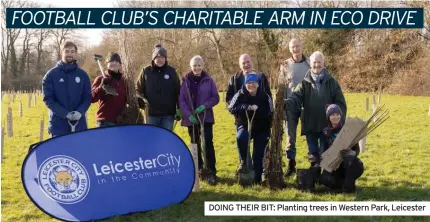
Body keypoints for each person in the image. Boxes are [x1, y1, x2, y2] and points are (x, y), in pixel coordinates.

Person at [285, 51, 347, 168]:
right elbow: (295, 98)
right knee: (313, 154)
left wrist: (338, 121)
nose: (316, 65)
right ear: (310, 64)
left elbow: (341, 103)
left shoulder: (332, 82)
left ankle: (327, 177)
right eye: (314, 62)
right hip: (311, 125)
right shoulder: (304, 83)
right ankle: (314, 175)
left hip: (327, 126)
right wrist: (284, 104)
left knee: (325, 153)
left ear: (324, 63)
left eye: (319, 62)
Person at [226, 54, 272, 171]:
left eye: (248, 62)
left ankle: (260, 170)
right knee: (241, 139)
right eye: (243, 63)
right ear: (240, 65)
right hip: (243, 119)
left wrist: (261, 111)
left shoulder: (261, 77)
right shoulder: (235, 79)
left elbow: (268, 101)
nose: (246, 65)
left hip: (261, 122)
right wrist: (244, 107)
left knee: (259, 150)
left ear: (252, 62)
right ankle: (245, 163)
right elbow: (230, 101)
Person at [179, 56, 220, 185]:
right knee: (195, 144)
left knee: (207, 143)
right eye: (194, 65)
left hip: (205, 118)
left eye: (199, 65)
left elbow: (216, 97)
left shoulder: (209, 80)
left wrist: (205, 106)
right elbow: (181, 100)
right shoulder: (185, 81)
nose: (197, 68)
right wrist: (188, 114)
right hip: (192, 119)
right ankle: (200, 170)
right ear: (191, 67)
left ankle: (211, 171)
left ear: (203, 66)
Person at [228, 73, 273, 184]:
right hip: (244, 124)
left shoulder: (264, 96)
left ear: (258, 84)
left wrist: (259, 110)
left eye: (253, 83)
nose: (251, 85)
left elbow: (270, 111)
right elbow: (231, 108)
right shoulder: (240, 94)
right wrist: (245, 107)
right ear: (245, 84)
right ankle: (244, 161)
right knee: (241, 137)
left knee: (258, 154)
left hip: (261, 128)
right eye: (248, 83)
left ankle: (256, 179)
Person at [42, 41, 91, 137]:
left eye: (72, 52)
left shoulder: (83, 75)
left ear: (75, 54)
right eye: (67, 51)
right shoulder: (51, 75)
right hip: (58, 127)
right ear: (62, 52)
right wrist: (65, 114)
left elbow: (87, 97)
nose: (70, 54)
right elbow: (48, 99)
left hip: (79, 126)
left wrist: (80, 112)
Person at [279, 38, 311, 177]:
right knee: (290, 137)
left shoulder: (310, 62)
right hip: (290, 106)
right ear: (290, 49)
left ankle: (313, 165)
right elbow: (281, 86)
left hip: (308, 105)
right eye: (293, 47)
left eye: (298, 46)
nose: (295, 49)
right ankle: (291, 165)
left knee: (311, 135)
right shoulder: (285, 65)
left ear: (302, 46)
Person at [319, 104, 364, 193]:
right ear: (328, 117)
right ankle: (342, 182)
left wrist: (353, 153)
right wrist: (329, 162)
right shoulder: (325, 133)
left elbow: (356, 149)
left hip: (349, 163)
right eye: (332, 115)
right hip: (335, 165)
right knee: (325, 180)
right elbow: (322, 151)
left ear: (341, 115)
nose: (335, 117)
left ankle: (349, 187)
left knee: (350, 160)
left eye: (337, 114)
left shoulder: (348, 129)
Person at [135, 44, 181, 131]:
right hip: (151, 115)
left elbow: (178, 91)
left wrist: (179, 108)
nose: (160, 60)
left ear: (165, 58)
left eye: (162, 57)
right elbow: (138, 89)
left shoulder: (172, 71)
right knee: (151, 139)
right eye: (157, 57)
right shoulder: (146, 71)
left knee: (166, 139)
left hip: (168, 115)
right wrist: (142, 100)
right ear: (153, 58)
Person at [91, 52, 127, 127]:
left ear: (120, 65)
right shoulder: (100, 79)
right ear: (107, 64)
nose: (114, 63)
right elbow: (92, 98)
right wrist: (101, 86)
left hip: (121, 121)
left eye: (117, 61)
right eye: (111, 61)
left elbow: (126, 98)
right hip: (105, 122)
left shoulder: (124, 81)